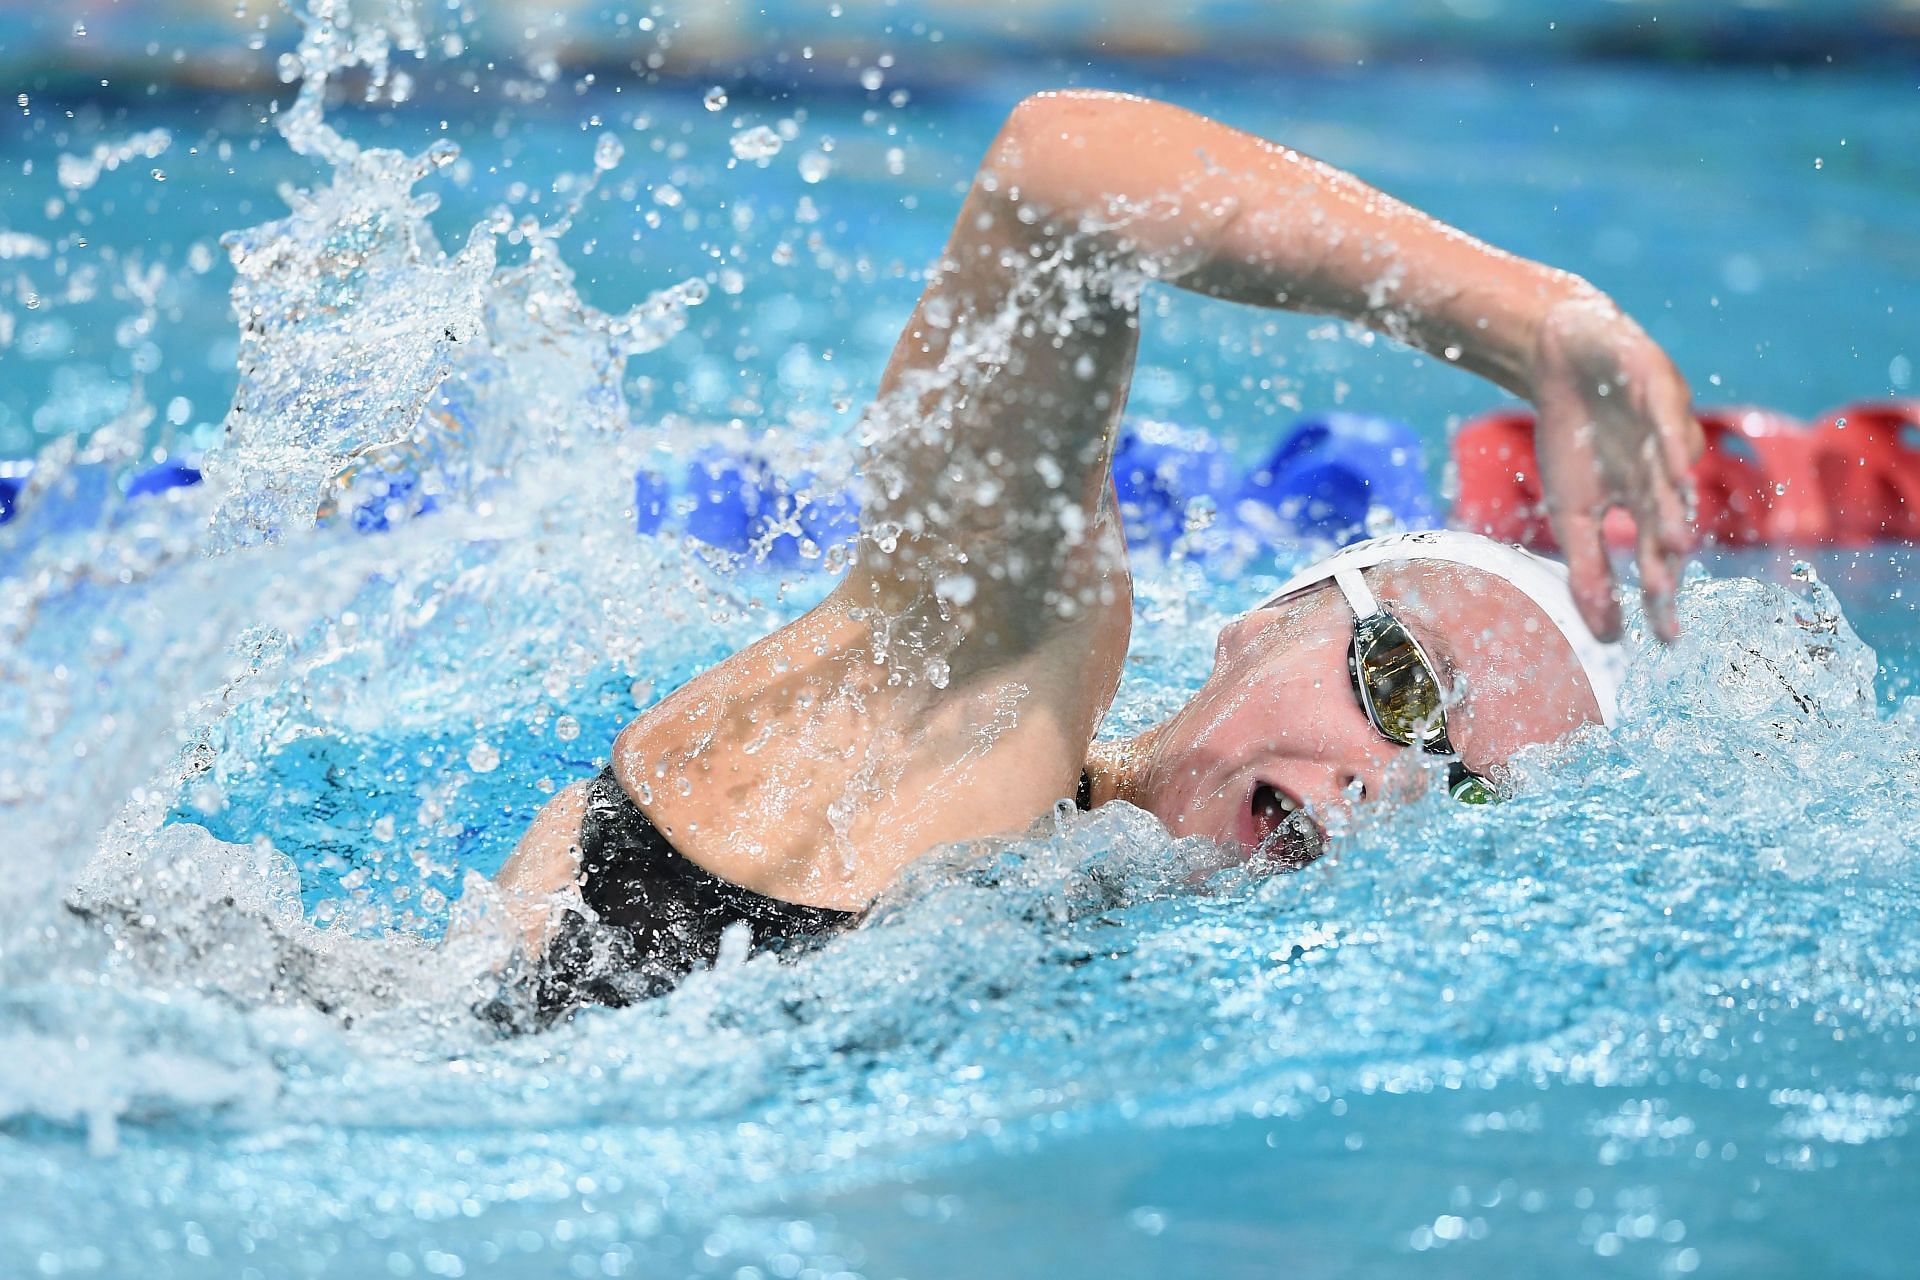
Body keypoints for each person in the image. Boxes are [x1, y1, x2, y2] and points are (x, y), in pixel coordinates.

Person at [488, 89, 1701, 1017]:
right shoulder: (992, 694)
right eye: (1401, 685)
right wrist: (1528, 322)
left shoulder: (1095, 946)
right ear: (1265, 618)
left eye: (1466, 794)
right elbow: (1057, 180)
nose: (1392, 783)